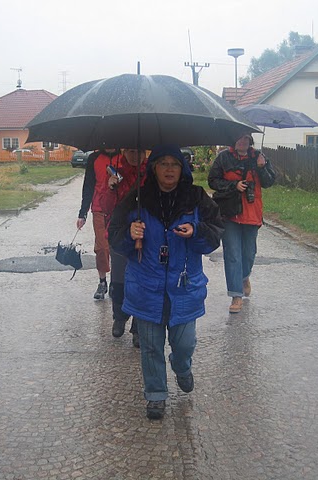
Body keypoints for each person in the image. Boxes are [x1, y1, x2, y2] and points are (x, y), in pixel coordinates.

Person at [109, 144, 223, 420]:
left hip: (184, 287)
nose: (169, 169)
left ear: (182, 169)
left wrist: (196, 230)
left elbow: (215, 234)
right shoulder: (137, 199)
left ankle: (181, 367)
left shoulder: (196, 197)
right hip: (146, 285)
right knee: (150, 346)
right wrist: (130, 233)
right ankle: (156, 394)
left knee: (184, 344)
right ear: (154, 168)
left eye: (175, 164)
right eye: (163, 164)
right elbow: (114, 237)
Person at [207, 133, 275, 314]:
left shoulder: (258, 157)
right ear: (233, 140)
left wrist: (262, 167)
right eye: (239, 138)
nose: (242, 141)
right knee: (232, 254)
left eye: (245, 138)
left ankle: (244, 277)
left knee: (249, 253)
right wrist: (234, 185)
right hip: (229, 212)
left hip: (252, 213)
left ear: (250, 141)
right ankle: (236, 295)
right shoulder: (223, 157)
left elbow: (269, 182)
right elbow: (212, 181)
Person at [107, 149, 147, 346]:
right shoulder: (116, 172)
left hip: (145, 232)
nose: (135, 155)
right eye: (130, 151)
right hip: (120, 232)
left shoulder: (151, 173)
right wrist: (111, 188)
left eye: (138, 151)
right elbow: (106, 207)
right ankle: (119, 316)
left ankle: (138, 327)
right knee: (119, 278)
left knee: (142, 280)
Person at [76, 148, 119, 300]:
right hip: (99, 209)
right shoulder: (94, 158)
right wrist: (83, 213)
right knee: (101, 247)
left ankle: (116, 282)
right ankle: (102, 282)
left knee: (118, 248)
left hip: (119, 209)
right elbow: (88, 186)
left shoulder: (124, 156)